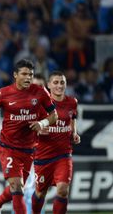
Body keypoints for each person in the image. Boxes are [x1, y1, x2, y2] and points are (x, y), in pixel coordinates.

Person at [0, 59, 58, 214]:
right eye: (24, 74)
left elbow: (54, 115)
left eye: (30, 74)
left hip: (28, 150)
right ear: (15, 75)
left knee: (18, 187)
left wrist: (42, 124)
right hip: (8, 147)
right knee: (17, 186)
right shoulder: (4, 93)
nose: (28, 77)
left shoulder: (40, 92)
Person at [31, 71, 81, 214]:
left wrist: (74, 132)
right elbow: (27, 126)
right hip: (43, 156)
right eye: (56, 82)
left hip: (63, 155)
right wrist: (38, 130)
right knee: (40, 193)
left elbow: (73, 118)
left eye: (62, 82)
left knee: (63, 190)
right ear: (48, 85)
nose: (59, 86)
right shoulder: (41, 105)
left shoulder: (72, 102)